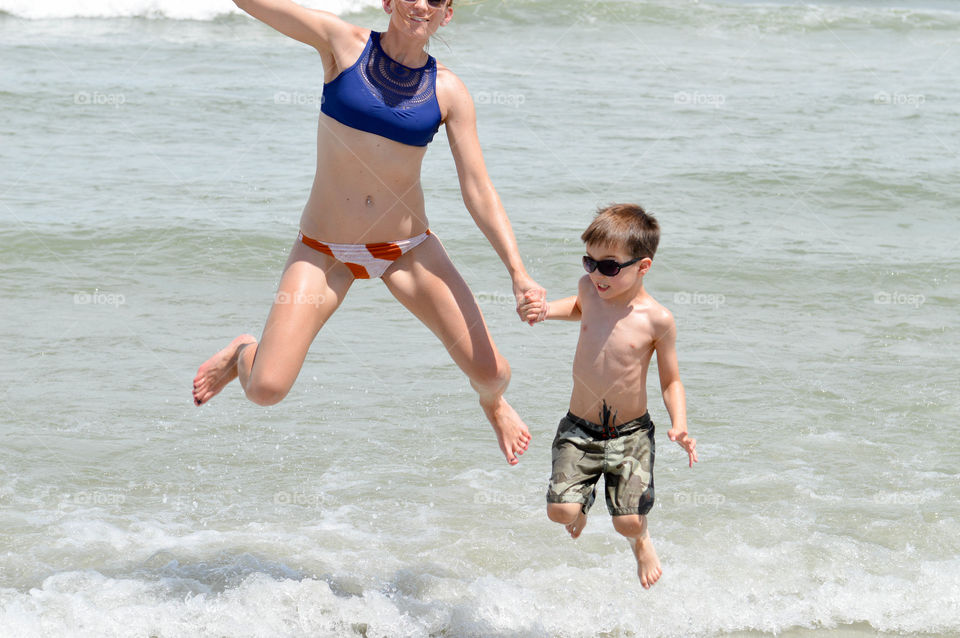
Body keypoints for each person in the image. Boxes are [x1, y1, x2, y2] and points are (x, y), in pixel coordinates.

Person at [192, 0, 546, 465]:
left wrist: (518, 272)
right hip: (323, 252)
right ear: (388, 2)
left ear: (447, 13)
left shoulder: (449, 92)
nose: (421, 4)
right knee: (265, 390)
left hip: (407, 249)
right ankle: (243, 351)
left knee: (495, 374)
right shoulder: (342, 43)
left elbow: (478, 189)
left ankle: (492, 406)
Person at [519, 203, 698, 587]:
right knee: (561, 513)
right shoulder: (590, 290)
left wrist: (679, 425)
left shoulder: (657, 319)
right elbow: (580, 306)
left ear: (643, 266)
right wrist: (546, 310)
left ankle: (641, 540)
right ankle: (580, 505)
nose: (597, 274)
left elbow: (671, 381)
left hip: (630, 433)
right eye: (590, 262)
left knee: (627, 521)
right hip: (579, 428)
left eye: (610, 266)